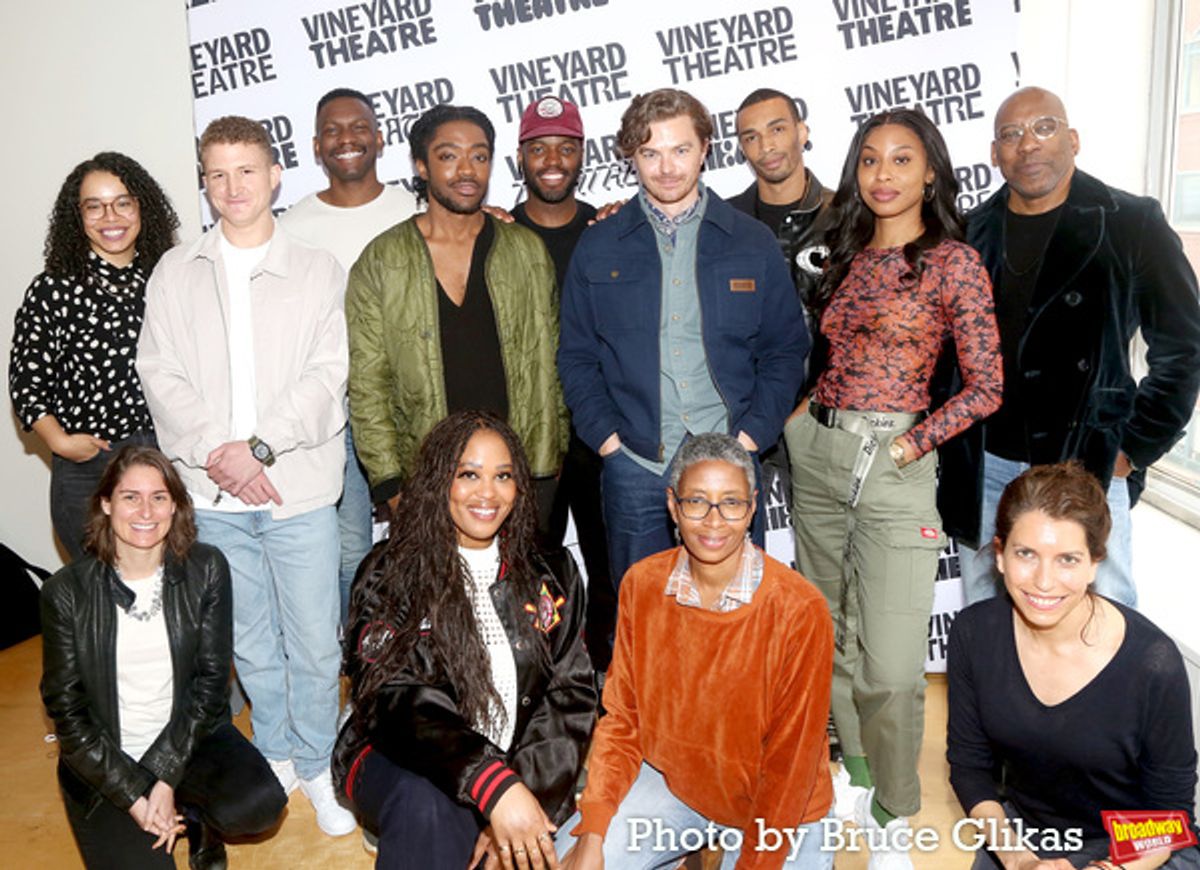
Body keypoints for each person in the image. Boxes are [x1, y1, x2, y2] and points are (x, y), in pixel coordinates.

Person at [784, 107, 1002, 868]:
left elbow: (986, 387)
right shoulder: (839, 251)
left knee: (894, 663)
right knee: (828, 636)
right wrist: (801, 420)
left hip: (897, 465)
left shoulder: (953, 262)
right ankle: (858, 774)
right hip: (817, 452)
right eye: (870, 159)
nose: (883, 174)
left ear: (930, 171)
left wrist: (912, 441)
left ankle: (896, 808)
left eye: (901, 159)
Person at [137, 115, 356, 837]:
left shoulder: (318, 267)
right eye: (218, 173)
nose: (234, 186)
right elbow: (159, 374)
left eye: (247, 170)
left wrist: (257, 449)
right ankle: (283, 750)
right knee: (251, 638)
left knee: (316, 638)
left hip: (297, 487)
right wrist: (216, 453)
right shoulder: (176, 270)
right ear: (205, 182)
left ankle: (322, 762)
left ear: (275, 176)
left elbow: (328, 376)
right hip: (211, 491)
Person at [938, 86, 1200, 609]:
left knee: (1102, 621)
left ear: (1072, 139)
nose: (1027, 145)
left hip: (1087, 463)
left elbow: (1184, 345)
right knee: (991, 623)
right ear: (994, 154)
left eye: (1043, 128)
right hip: (987, 465)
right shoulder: (969, 232)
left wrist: (1134, 446)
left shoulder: (1131, 221)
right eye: (1010, 135)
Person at [558, 87, 809, 588]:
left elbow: (785, 350)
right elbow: (577, 356)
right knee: (644, 617)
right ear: (632, 156)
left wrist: (750, 438)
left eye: (680, 149)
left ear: (705, 149)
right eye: (650, 153)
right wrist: (609, 442)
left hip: (731, 460)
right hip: (634, 463)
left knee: (734, 615)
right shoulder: (599, 244)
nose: (666, 167)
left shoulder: (750, 240)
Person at [555, 433, 833, 870]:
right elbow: (622, 720)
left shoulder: (800, 609)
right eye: (696, 501)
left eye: (732, 503)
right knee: (570, 861)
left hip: (780, 810)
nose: (714, 521)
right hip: (676, 784)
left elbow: (790, 764)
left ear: (753, 507)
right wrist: (593, 831)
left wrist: (756, 861)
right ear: (672, 505)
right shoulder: (643, 585)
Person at [332, 411, 596, 870]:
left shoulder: (552, 568)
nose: (487, 493)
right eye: (469, 475)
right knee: (428, 806)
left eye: (503, 476)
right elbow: (394, 698)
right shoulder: (391, 572)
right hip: (398, 757)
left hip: (509, 768)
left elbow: (568, 697)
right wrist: (491, 784)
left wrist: (516, 800)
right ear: (439, 482)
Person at [40, 445, 286, 870]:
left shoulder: (207, 568)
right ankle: (160, 807)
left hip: (186, 740)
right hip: (105, 761)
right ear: (105, 503)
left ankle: (195, 816)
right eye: (130, 497)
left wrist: (166, 777)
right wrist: (136, 794)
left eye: (159, 497)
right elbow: (67, 712)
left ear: (176, 507)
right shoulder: (65, 592)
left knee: (259, 803)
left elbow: (211, 684)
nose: (145, 511)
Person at [947, 462, 1200, 869]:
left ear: (1095, 563)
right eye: (1026, 554)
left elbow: (1171, 814)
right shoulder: (974, 634)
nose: (1043, 582)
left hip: (1135, 851)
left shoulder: (1152, 662)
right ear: (1000, 555)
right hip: (1028, 837)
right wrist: (1017, 858)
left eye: (1067, 559)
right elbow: (969, 768)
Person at [346, 104, 567, 531]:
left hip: (521, 475)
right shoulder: (382, 260)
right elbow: (368, 383)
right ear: (421, 166)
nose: (467, 170)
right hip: (426, 481)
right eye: (449, 156)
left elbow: (552, 359)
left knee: (520, 596)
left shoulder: (525, 251)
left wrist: (549, 453)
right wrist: (390, 483)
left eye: (479, 156)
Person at [279, 86, 418, 623]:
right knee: (349, 549)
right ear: (315, 147)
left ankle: (422, 664)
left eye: (358, 126)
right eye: (332, 130)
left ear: (380, 138)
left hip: (407, 407)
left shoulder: (415, 208)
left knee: (422, 539)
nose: (346, 138)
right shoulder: (292, 227)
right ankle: (356, 666)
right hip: (333, 413)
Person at [10, 152, 179, 561]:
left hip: (163, 461)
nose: (110, 217)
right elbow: (27, 382)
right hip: (88, 468)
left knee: (166, 592)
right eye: (94, 206)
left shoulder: (169, 279)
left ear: (143, 207)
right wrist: (60, 442)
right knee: (98, 599)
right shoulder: (53, 289)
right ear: (78, 216)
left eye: (123, 202)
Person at [509, 94, 616, 673]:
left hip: (600, 432)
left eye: (566, 147)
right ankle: (541, 676)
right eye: (539, 147)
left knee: (609, 566)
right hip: (530, 439)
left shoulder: (611, 230)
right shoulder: (494, 235)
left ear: (582, 155)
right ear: (520, 157)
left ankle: (603, 680)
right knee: (532, 568)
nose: (553, 159)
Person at [730, 87, 834, 319]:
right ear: (742, 149)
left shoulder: (846, 215)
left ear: (802, 132)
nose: (766, 146)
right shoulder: (724, 223)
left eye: (777, 130)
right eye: (751, 137)